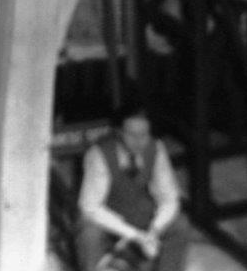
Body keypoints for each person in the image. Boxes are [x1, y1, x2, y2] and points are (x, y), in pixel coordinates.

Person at [75, 101, 191, 271]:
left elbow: (169, 197)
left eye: (144, 134)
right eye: (132, 135)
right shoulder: (99, 154)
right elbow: (90, 207)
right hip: (106, 216)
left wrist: (154, 229)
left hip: (138, 211)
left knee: (179, 224)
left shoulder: (155, 148)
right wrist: (133, 234)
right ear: (119, 132)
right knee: (89, 233)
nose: (139, 141)